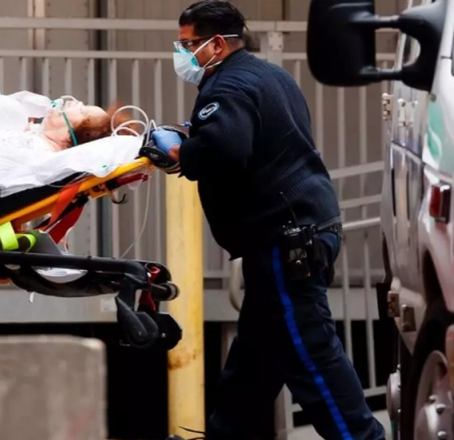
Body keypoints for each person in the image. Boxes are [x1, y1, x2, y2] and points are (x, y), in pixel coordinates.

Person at [146, 1, 386, 439]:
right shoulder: (268, 75)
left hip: (283, 239)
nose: (182, 54)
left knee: (311, 353)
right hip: (306, 227)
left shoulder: (228, 87)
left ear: (217, 45)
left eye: (187, 45)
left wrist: (183, 153)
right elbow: (251, 136)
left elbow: (226, 151)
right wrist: (194, 136)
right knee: (254, 361)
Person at [0, 101, 134, 152]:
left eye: (81, 110)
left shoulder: (32, 149)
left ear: (69, 135)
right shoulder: (33, 139)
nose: (75, 102)